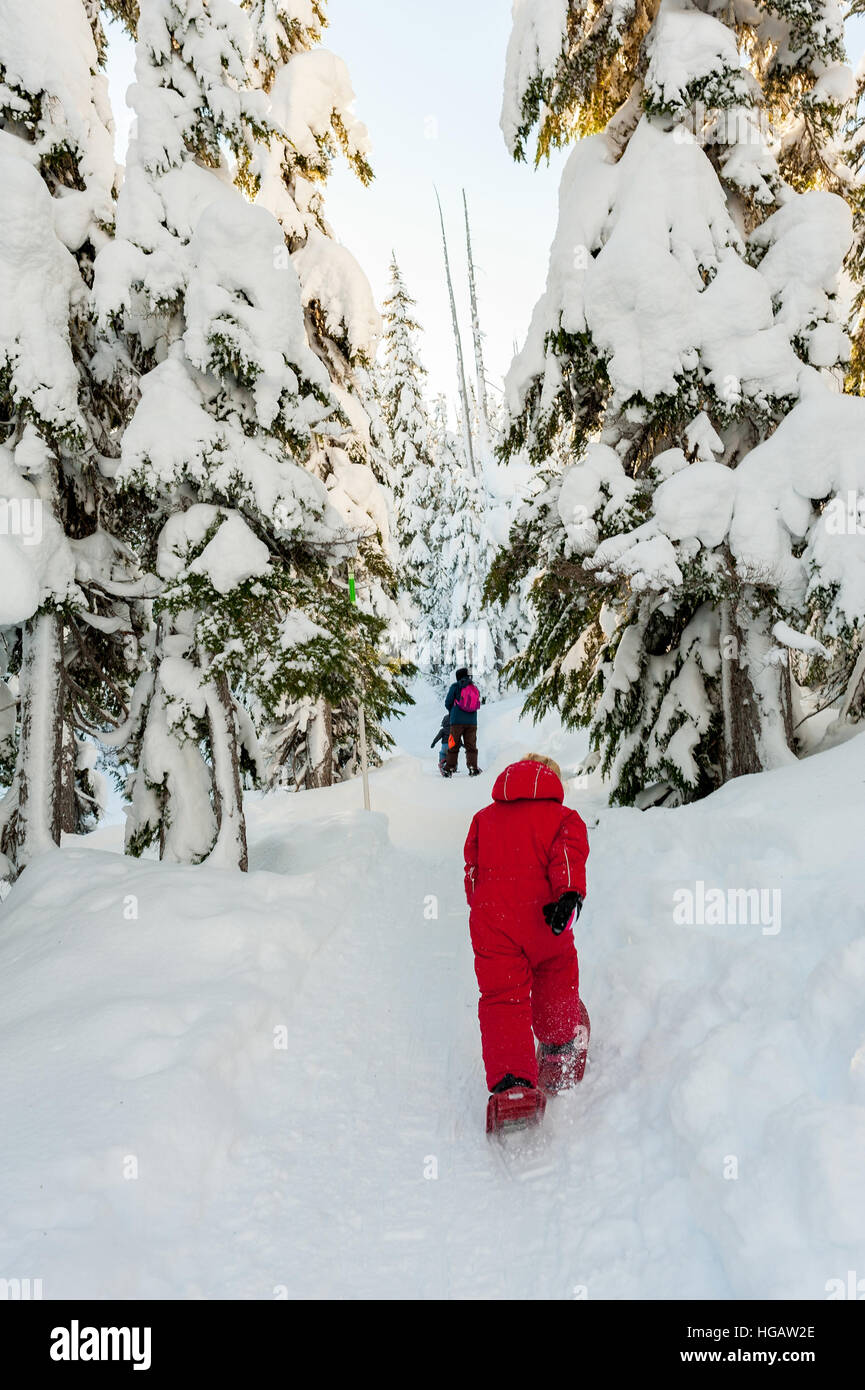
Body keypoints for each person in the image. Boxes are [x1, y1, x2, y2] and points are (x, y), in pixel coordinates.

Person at [463, 753, 590, 1099]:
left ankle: (512, 1085)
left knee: (503, 998)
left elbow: (472, 872)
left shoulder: (482, 820)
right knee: (555, 975)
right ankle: (559, 1045)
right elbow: (568, 857)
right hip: (546, 920)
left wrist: (485, 909)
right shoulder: (564, 818)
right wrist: (568, 897)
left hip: (494, 927)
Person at [443, 666, 481, 777]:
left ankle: (449, 768)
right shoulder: (473, 687)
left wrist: (453, 711)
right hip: (472, 722)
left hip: (456, 722)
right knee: (471, 746)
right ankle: (473, 768)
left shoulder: (455, 686)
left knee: (453, 745)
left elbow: (448, 702)